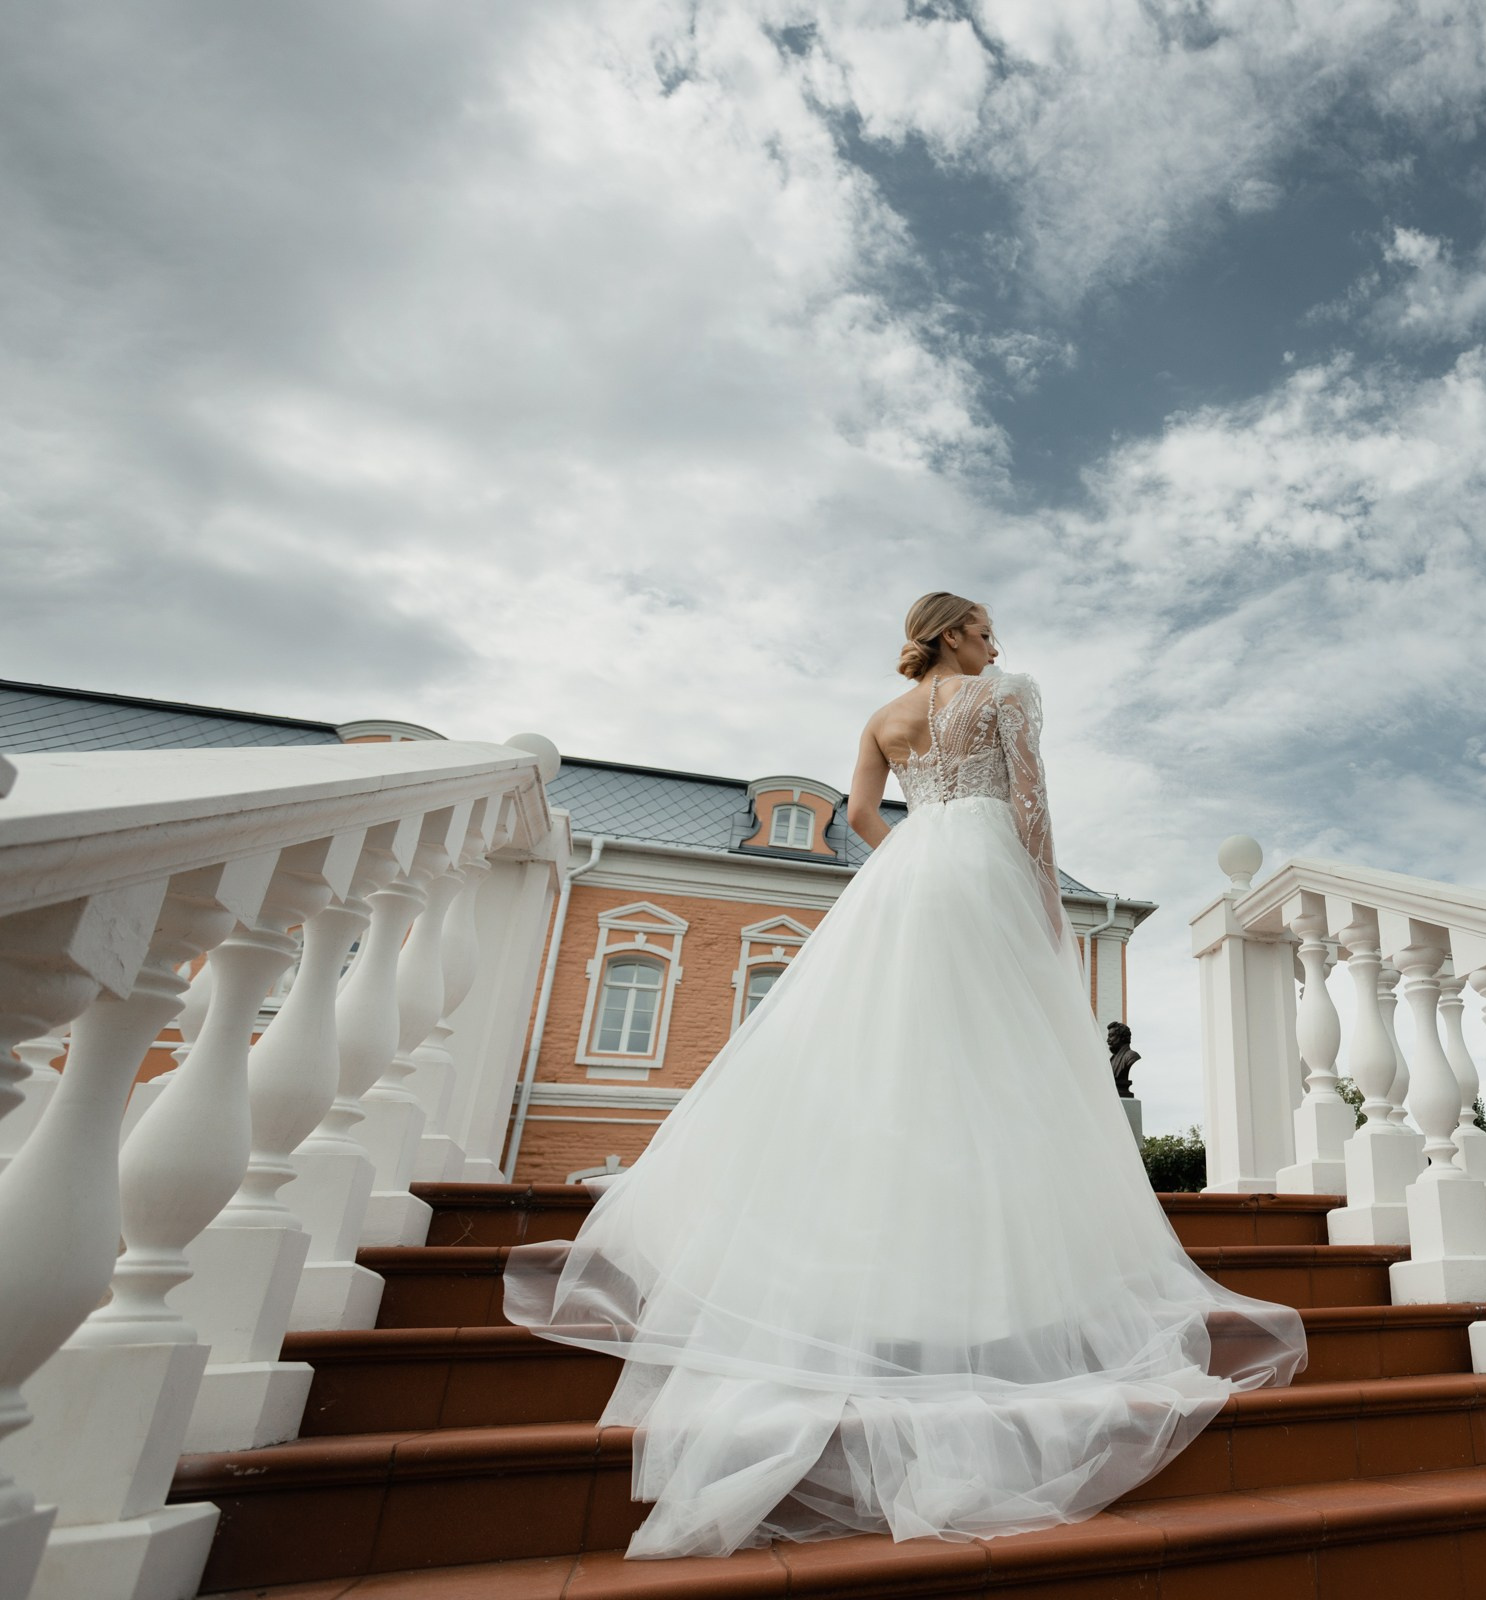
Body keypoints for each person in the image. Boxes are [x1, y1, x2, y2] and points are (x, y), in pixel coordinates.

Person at [504, 591, 1305, 1558]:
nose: (996, 638)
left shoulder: (882, 718)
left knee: (889, 1062)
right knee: (996, 1062)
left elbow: (859, 816)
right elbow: (1031, 803)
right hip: (983, 868)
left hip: (912, 872)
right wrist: (1041, 900)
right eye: (984, 626)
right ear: (959, 633)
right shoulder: (1007, 692)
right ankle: (996, 1279)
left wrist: (915, 855)